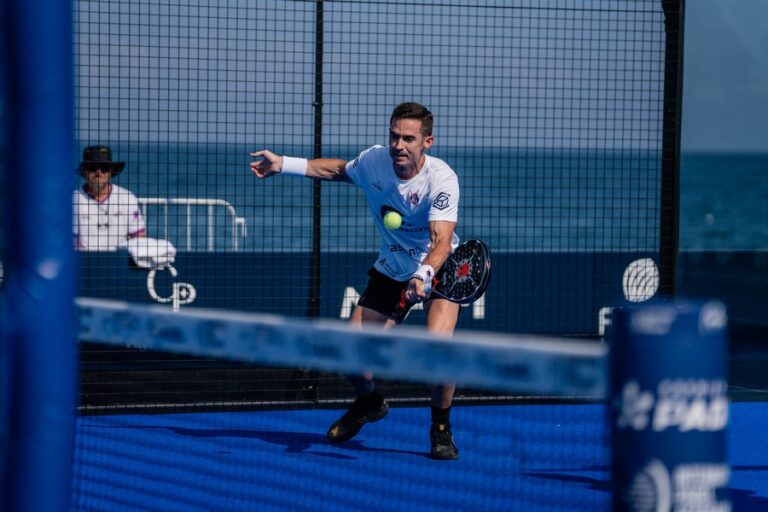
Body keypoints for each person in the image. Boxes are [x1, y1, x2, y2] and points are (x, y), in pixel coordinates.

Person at [249, 102, 462, 460]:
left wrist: (424, 273)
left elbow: (441, 240)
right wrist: (284, 163)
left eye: (408, 139)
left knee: (439, 351)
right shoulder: (374, 161)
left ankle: (440, 428)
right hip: (393, 266)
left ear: (428, 142)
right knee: (351, 356)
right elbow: (338, 170)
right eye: (394, 136)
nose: (398, 145)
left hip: (438, 269)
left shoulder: (441, 179)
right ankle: (370, 402)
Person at [73, 145, 146, 250]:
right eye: (93, 168)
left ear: (111, 171)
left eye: (104, 167)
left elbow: (139, 239)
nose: (98, 173)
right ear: (85, 171)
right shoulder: (74, 200)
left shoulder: (127, 198)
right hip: (85, 259)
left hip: (118, 259)